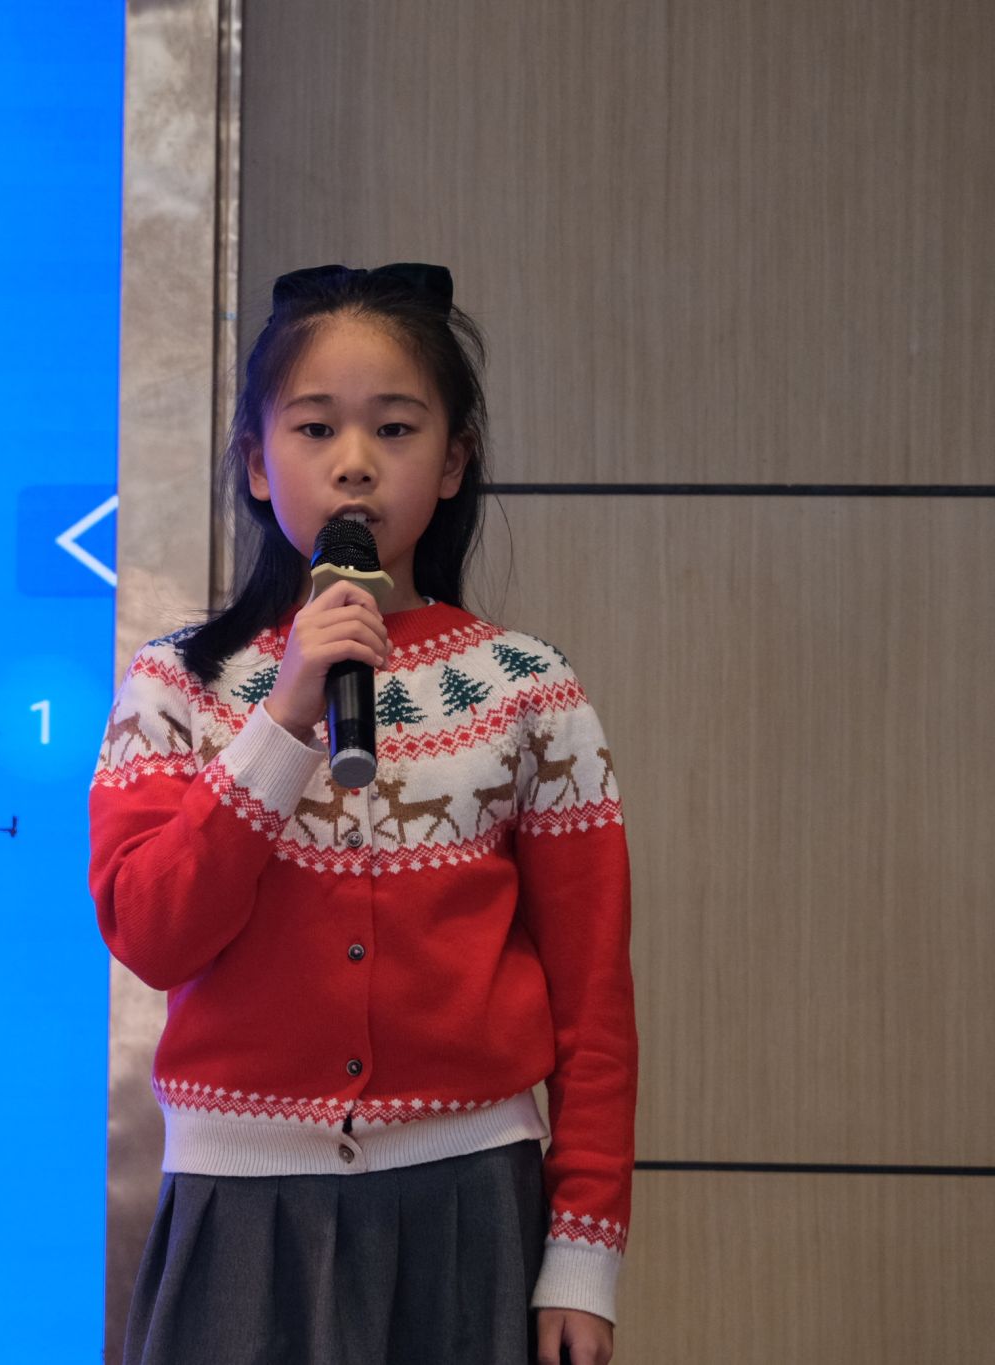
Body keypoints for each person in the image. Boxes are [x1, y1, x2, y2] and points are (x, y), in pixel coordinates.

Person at [89, 262, 636, 1365]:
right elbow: (151, 932)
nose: (353, 462)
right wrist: (284, 716)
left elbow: (593, 1000)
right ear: (255, 463)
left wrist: (583, 1252)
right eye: (313, 428)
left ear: (453, 463)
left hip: (469, 1203)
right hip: (243, 1208)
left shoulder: (527, 688)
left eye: (394, 428)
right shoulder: (176, 684)